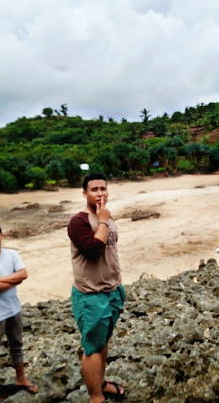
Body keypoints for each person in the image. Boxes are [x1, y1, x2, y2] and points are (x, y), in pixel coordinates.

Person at [68, 172, 126, 403]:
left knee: (103, 342)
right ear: (85, 194)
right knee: (92, 347)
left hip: (112, 290)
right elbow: (92, 249)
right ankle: (96, 397)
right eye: (94, 189)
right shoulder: (79, 222)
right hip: (90, 295)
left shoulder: (108, 218)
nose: (100, 193)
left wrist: (104, 218)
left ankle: (100, 384)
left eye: (103, 188)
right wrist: (102, 219)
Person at [0, 222, 38, 403]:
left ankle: (20, 378)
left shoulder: (12, 254)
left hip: (13, 309)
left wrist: (1, 279)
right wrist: (14, 280)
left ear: (1, 235)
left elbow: (23, 274)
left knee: (16, 344)